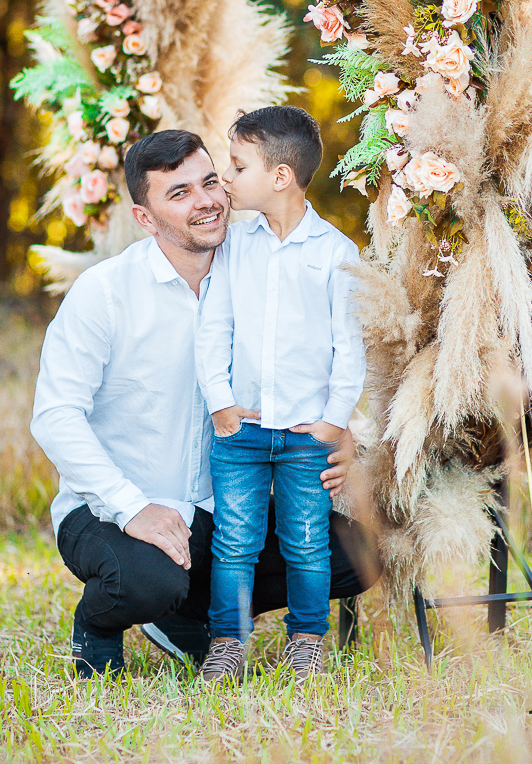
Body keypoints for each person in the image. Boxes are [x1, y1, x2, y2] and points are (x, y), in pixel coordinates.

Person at [30, 129, 379, 679]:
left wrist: (341, 428)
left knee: (356, 553)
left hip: (218, 511)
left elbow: (314, 356)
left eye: (211, 181)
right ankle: (103, 621)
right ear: (145, 218)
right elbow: (54, 416)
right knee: (147, 578)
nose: (207, 201)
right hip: (112, 508)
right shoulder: (105, 293)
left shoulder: (262, 266)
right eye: (180, 193)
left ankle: (186, 614)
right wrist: (132, 506)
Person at [194, 107, 366, 686]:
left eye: (236, 167)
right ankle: (227, 644)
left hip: (305, 436)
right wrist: (219, 401)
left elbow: (350, 348)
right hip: (240, 433)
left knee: (307, 544)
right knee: (234, 544)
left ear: (280, 176)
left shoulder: (335, 252)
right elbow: (213, 328)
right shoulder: (235, 246)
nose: (225, 180)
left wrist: (332, 423)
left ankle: (307, 643)